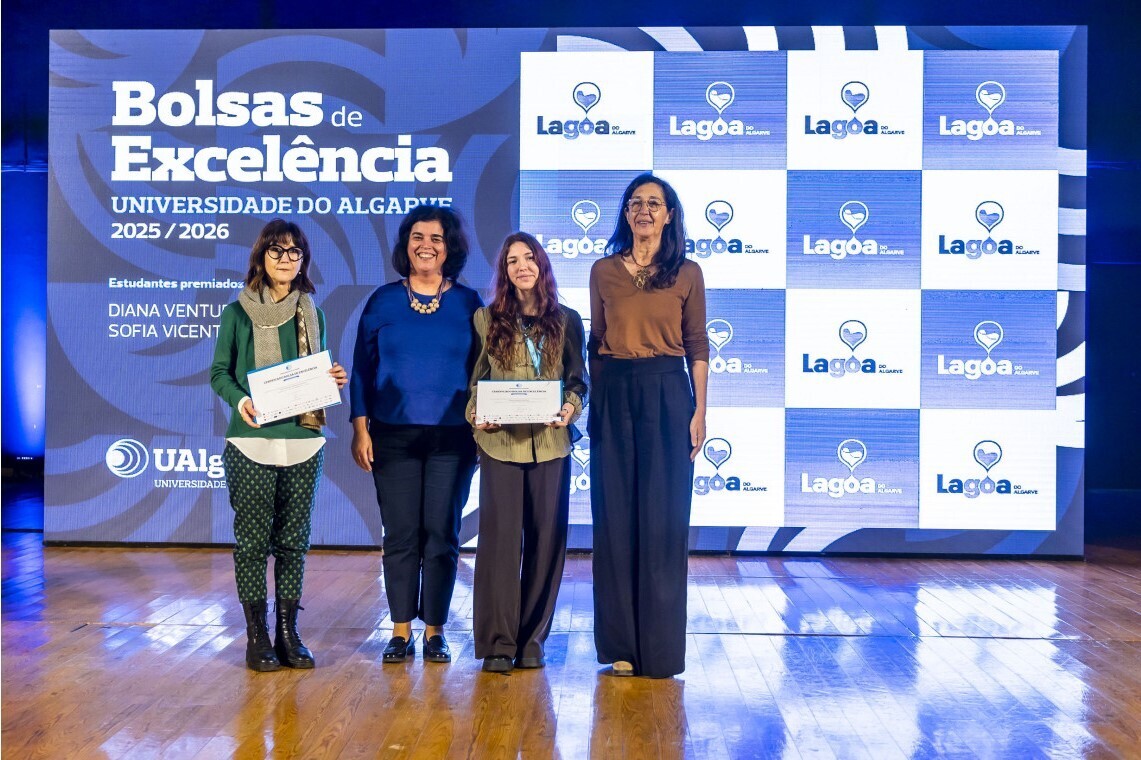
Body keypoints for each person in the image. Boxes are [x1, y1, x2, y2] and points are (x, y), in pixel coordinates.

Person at [210, 218, 348, 672]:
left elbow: (317, 371)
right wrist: (241, 399)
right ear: (261, 258)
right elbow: (220, 374)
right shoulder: (236, 313)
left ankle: (288, 634)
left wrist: (333, 380)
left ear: (303, 260)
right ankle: (257, 636)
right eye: (276, 251)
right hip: (252, 442)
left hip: (304, 441)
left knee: (293, 544)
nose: (285, 259)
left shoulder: (314, 312)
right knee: (253, 544)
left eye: (294, 252)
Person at [350, 205, 483, 664]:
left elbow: (485, 371)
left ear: (451, 248)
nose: (426, 245)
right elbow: (362, 371)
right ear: (405, 245)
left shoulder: (469, 303)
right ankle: (401, 630)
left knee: (441, 534)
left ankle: (435, 630)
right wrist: (360, 428)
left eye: (437, 238)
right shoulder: (382, 301)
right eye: (417, 237)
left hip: (454, 439)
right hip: (391, 436)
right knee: (401, 534)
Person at [588, 173, 708, 678]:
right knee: (614, 517)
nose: (643, 211)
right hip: (614, 390)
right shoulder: (602, 270)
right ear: (626, 213)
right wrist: (594, 406)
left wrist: (700, 411)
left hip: (666, 392)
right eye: (635, 203)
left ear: (669, 215)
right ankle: (620, 644)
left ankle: (659, 650)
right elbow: (596, 341)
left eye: (653, 203)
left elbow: (698, 346)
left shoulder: (687, 273)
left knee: (663, 521)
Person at [467, 232, 587, 674]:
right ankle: (498, 643)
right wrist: (478, 412)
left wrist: (570, 408)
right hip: (500, 444)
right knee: (499, 544)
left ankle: (532, 639)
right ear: (504, 271)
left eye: (529, 258)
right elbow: (474, 382)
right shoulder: (486, 319)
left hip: (551, 445)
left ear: (542, 265)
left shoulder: (568, 320)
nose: (522, 266)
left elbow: (578, 381)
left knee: (545, 541)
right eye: (512, 259)